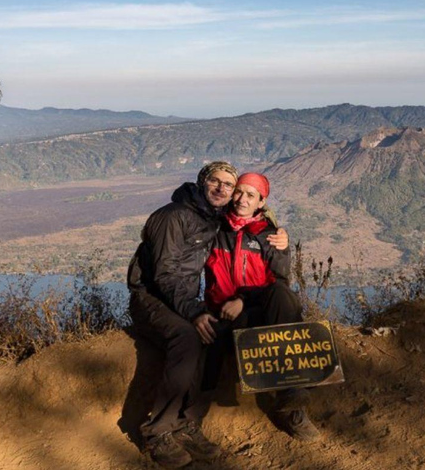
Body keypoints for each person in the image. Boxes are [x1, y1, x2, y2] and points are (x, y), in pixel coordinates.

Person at [126, 162, 287, 469]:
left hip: (181, 300)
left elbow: (250, 222)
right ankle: (158, 432)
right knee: (188, 337)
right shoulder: (172, 216)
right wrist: (195, 312)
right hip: (151, 299)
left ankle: (187, 424)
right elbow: (164, 276)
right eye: (216, 181)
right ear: (202, 182)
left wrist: (281, 236)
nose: (222, 189)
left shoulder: (211, 217)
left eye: (229, 185)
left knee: (216, 336)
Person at [202, 172, 320, 441]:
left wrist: (243, 300)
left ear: (261, 202)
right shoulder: (213, 229)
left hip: (256, 312)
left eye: (250, 195)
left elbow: (279, 283)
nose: (242, 199)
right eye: (239, 192)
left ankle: (293, 402)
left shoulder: (269, 236)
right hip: (222, 316)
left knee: (281, 295)